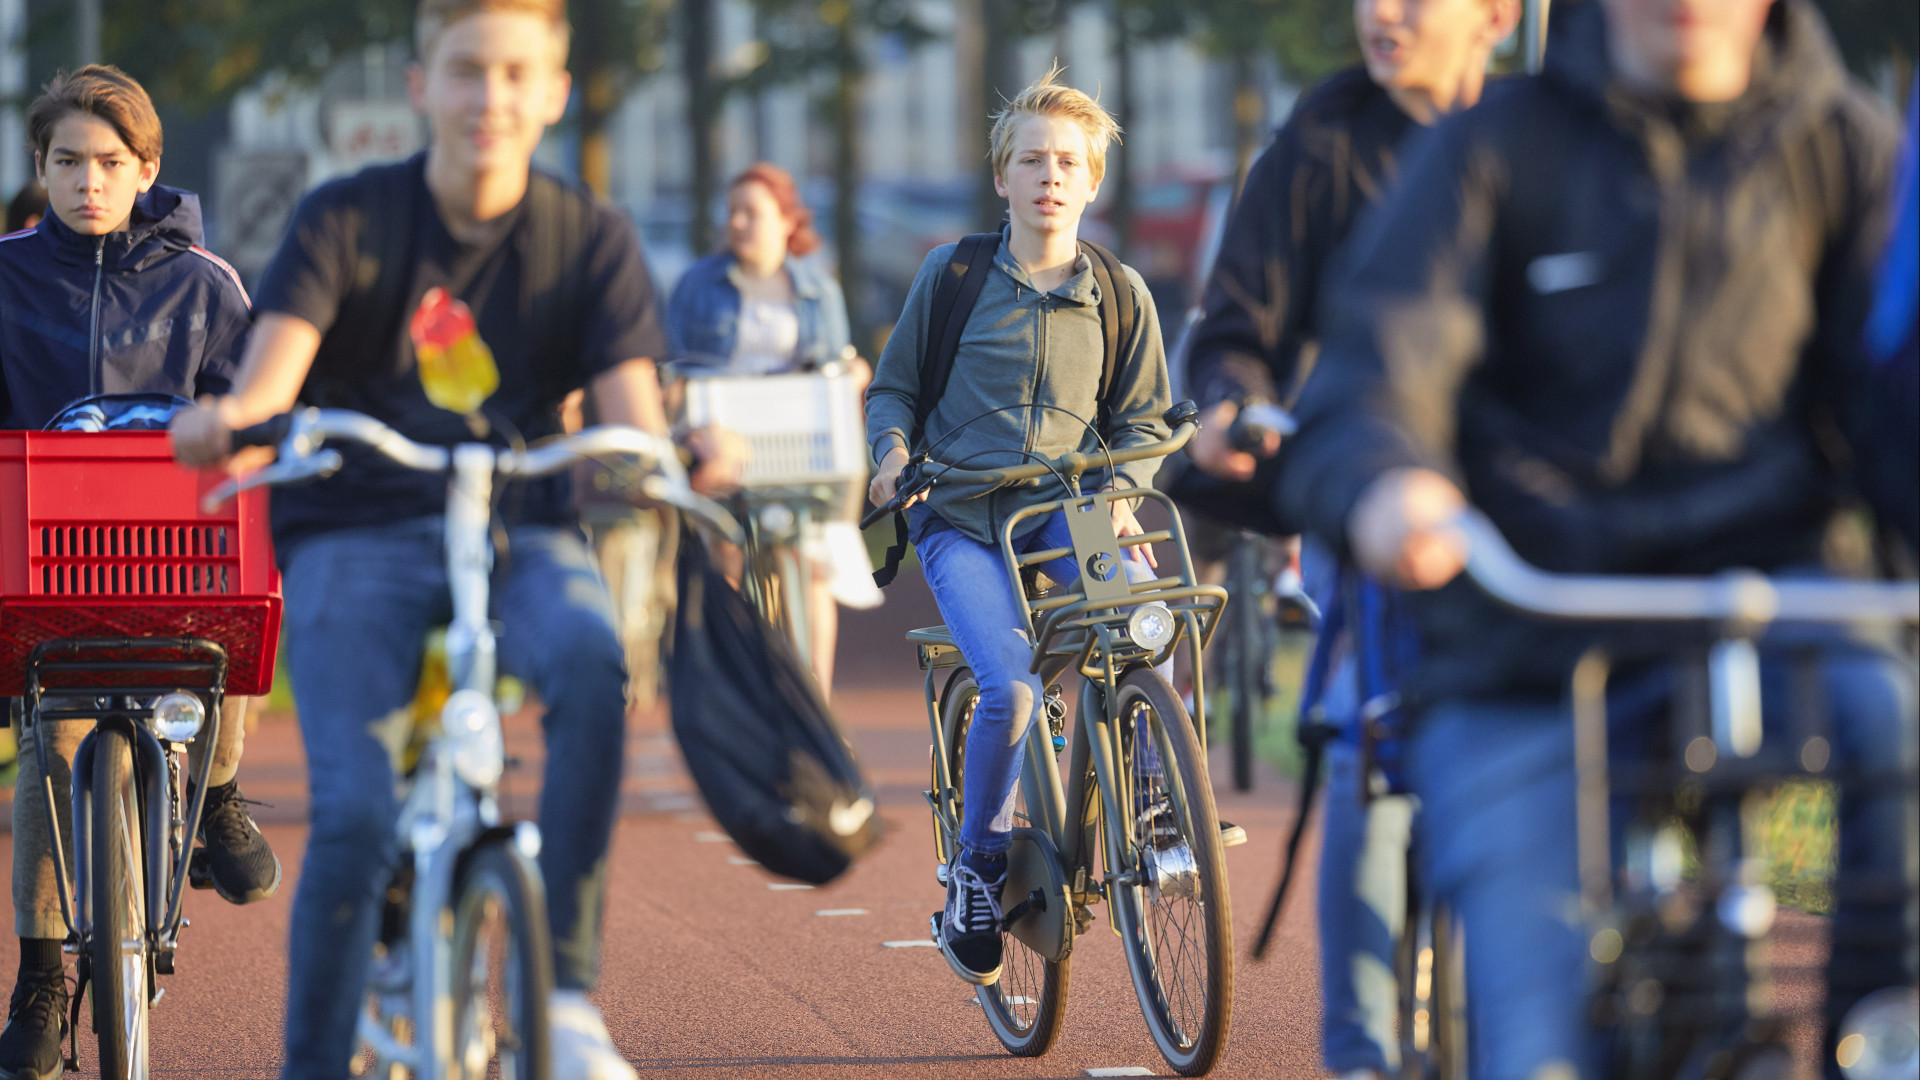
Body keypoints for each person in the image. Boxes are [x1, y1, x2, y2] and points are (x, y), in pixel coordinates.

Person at [1279, 0, 1913, 1073]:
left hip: (1767, 595)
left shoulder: (1842, 146)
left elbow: (1889, 400)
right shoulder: (1493, 146)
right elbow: (1380, 367)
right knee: (1538, 1034)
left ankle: (1878, 1031)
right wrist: (1391, 486)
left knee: (1894, 734)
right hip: (1531, 621)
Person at [170, 1, 733, 1076]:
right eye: (467, 70)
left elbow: (629, 424)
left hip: (518, 531)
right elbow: (269, 382)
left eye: (517, 73)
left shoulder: (588, 238)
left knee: (587, 660)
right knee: (356, 819)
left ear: (555, 91)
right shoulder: (347, 219)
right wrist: (227, 424)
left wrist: (677, 455)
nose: (492, 96)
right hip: (355, 529)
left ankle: (563, 995)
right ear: (423, 83)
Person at [1181, 0, 1515, 1071]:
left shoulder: (1545, 135)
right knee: (1364, 740)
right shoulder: (1318, 145)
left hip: (1526, 509)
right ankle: (1361, 1049)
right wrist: (1232, 398)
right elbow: (1238, 323)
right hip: (1368, 492)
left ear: (1497, 16)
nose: (1384, 12)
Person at [866, 65, 1172, 985]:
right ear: (1002, 176)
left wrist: (1124, 488)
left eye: (1067, 161)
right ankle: (977, 870)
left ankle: (1157, 805)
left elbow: (1148, 420)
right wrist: (889, 453)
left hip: (1070, 513)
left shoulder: (1120, 294)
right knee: (1008, 690)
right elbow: (896, 388)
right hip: (959, 516)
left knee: (1148, 622)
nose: (1049, 175)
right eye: (1031, 159)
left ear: (1091, 180)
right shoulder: (953, 274)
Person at [0, 65, 273, 1080]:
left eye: (110, 162)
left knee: (237, 612)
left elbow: (253, 416)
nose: (88, 181)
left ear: (148, 167)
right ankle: (40, 980)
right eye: (67, 162)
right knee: (47, 734)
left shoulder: (208, 284)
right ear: (41, 169)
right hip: (48, 572)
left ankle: (219, 794)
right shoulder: (6, 276)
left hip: (176, 559)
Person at [666, 162, 871, 697]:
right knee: (725, 560)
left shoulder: (816, 290)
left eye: (751, 213)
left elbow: (835, 364)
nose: (737, 223)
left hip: (799, 450)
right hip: (719, 451)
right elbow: (672, 372)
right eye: (731, 213)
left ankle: (814, 702)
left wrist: (851, 374)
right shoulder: (697, 285)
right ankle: (734, 697)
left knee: (814, 566)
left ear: (785, 221)